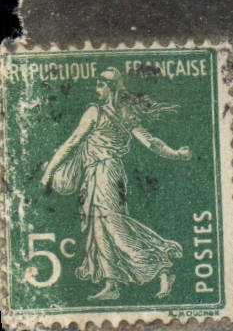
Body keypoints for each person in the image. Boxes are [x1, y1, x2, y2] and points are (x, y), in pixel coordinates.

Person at [40, 68, 191, 301]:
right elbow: (152, 143)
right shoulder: (125, 113)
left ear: (110, 88)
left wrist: (49, 171)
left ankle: (160, 267)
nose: (97, 90)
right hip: (99, 174)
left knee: (115, 227)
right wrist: (177, 154)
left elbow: (73, 141)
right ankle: (111, 284)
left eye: (100, 86)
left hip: (106, 173)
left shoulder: (97, 111)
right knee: (99, 228)